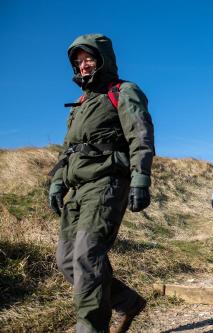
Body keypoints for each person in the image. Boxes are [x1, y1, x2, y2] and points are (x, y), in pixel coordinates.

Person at [48, 34, 155, 333]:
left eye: (89, 59)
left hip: (107, 182)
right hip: (78, 189)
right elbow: (67, 149)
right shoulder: (80, 104)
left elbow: (140, 135)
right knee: (67, 259)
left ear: (104, 60)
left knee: (86, 256)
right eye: (78, 61)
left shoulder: (123, 92)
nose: (83, 66)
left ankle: (92, 328)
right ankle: (127, 301)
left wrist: (141, 178)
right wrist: (58, 182)